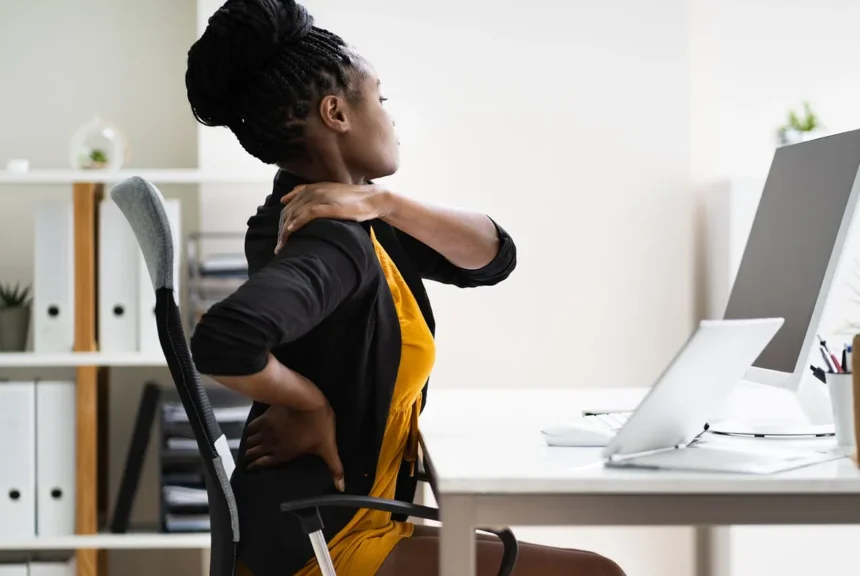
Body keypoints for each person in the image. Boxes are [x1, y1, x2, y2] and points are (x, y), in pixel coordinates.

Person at [185, 1, 626, 575]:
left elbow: (491, 258)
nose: (390, 118)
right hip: (327, 543)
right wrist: (308, 401)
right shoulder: (330, 238)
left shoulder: (343, 214)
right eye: (381, 99)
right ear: (337, 112)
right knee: (598, 574)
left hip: (339, 520)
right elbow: (225, 338)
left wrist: (385, 201)